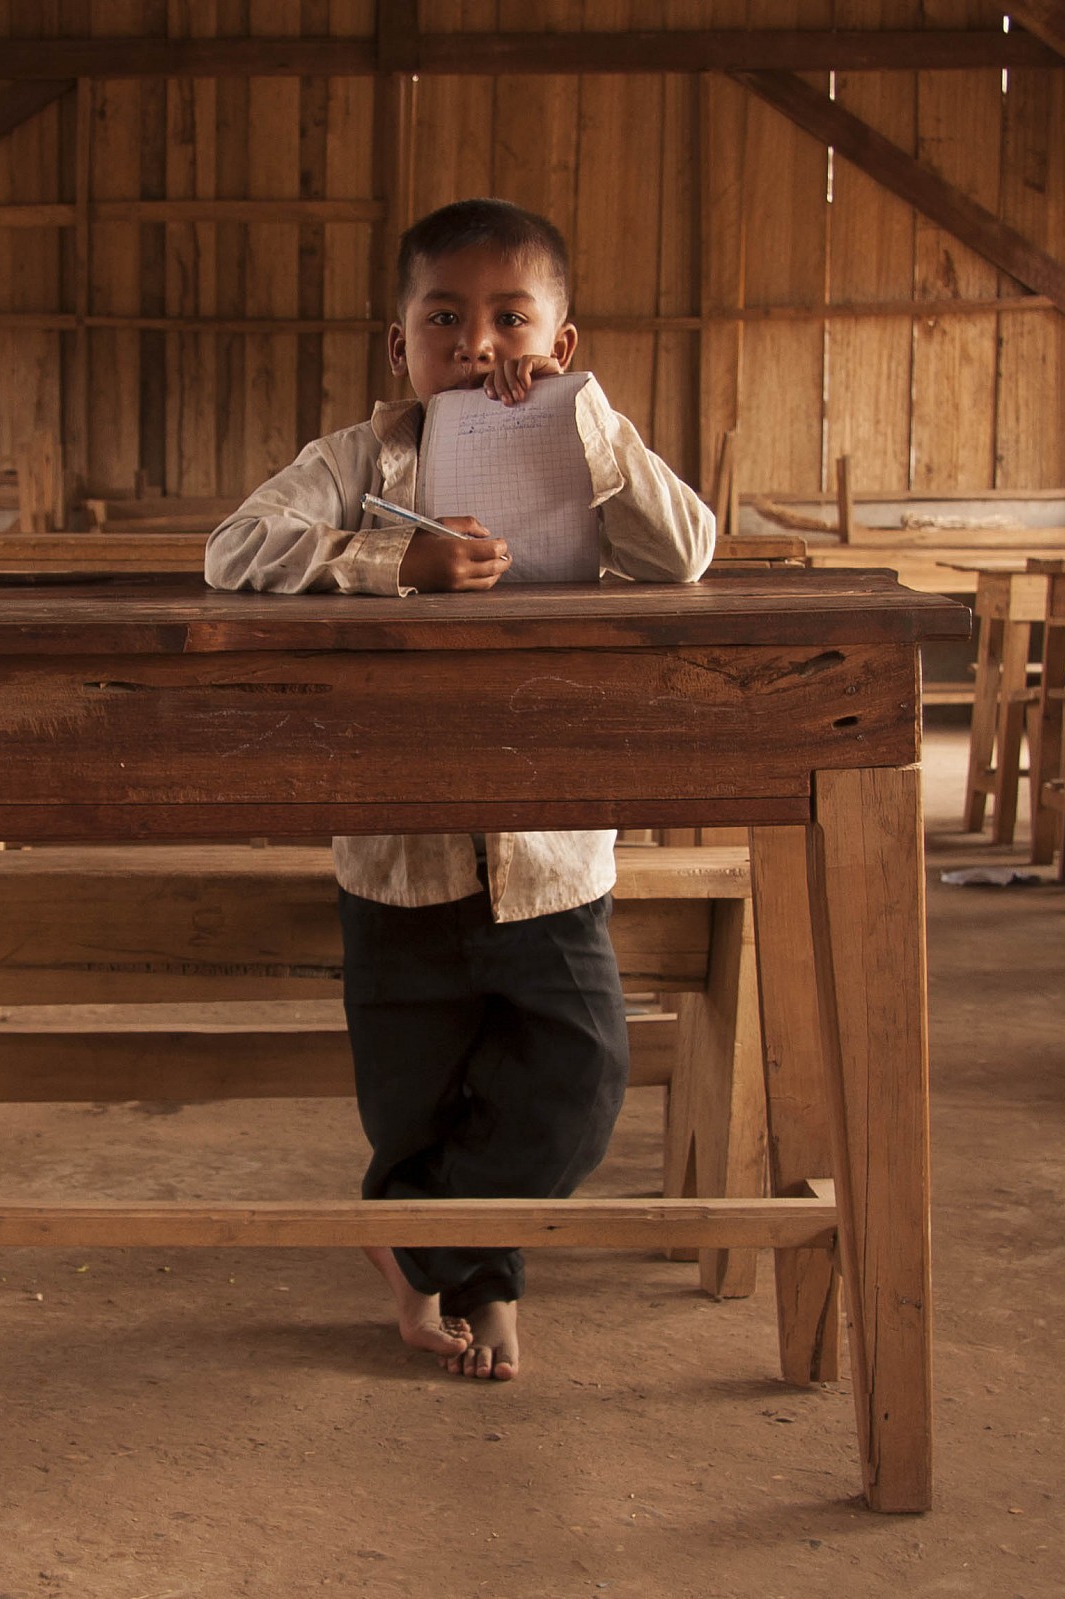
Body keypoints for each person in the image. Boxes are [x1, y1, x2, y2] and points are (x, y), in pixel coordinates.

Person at [204, 197, 716, 1381]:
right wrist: (394, 560)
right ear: (401, 347)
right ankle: (481, 1296)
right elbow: (235, 549)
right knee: (417, 1100)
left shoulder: (590, 451)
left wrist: (589, 430)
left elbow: (683, 553)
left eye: (511, 318)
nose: (479, 345)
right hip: (399, 849)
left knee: (579, 1079)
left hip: (550, 848)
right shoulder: (359, 461)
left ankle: (414, 1246)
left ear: (564, 343)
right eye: (445, 318)